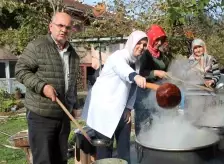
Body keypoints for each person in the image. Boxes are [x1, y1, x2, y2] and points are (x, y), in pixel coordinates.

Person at [15, 12, 80, 164]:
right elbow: (20, 70)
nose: (64, 30)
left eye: (68, 27)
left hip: (64, 115)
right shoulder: (37, 46)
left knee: (61, 159)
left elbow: (72, 83)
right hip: (41, 115)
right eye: (60, 25)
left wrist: (75, 104)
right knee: (44, 160)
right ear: (51, 27)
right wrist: (42, 86)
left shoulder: (73, 54)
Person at [81, 30, 148, 163]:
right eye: (138, 43)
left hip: (121, 109)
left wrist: (129, 107)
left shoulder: (136, 62)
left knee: (124, 149)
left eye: (144, 45)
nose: (141, 47)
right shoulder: (118, 57)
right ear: (131, 43)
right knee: (105, 151)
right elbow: (123, 70)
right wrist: (135, 76)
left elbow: (133, 87)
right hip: (104, 108)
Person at [134, 24, 171, 135]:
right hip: (144, 94)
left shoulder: (161, 55)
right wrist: (155, 73)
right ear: (150, 38)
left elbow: (166, 68)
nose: (159, 43)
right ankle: (142, 146)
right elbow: (138, 73)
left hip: (158, 94)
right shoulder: (144, 53)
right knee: (144, 122)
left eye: (161, 40)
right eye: (157, 39)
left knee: (157, 121)